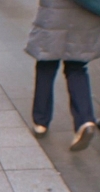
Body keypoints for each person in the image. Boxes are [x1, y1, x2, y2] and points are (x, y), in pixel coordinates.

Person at [26, 0, 100, 152]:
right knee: (77, 67)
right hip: (85, 17)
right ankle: (84, 120)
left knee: (46, 65)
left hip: (54, 15)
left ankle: (41, 121)